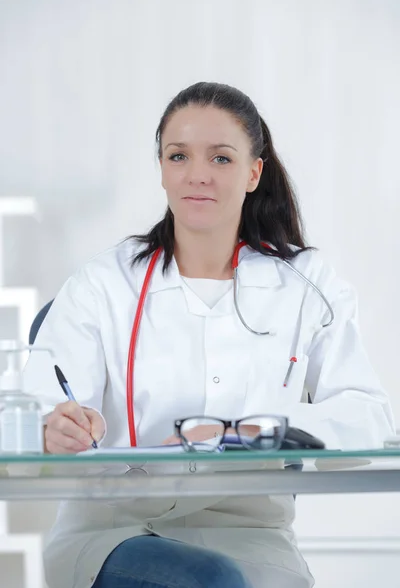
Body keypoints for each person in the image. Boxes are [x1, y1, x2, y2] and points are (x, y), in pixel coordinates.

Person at [23, 81, 394, 588]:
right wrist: (54, 426)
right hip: (117, 529)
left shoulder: (308, 283)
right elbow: (41, 402)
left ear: (253, 172)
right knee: (213, 580)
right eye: (178, 156)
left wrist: (256, 431)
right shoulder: (103, 283)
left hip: (253, 534)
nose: (197, 175)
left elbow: (366, 415)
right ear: (161, 167)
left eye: (221, 159)